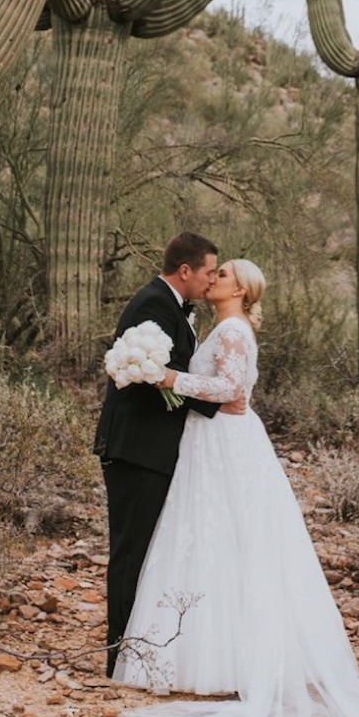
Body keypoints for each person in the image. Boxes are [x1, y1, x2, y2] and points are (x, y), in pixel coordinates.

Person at [81, 259, 359, 717]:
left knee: (227, 539)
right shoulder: (218, 327)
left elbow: (228, 390)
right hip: (210, 440)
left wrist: (166, 376)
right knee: (207, 541)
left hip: (225, 440)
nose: (216, 277)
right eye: (214, 271)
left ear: (242, 290)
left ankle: (219, 657)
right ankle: (193, 651)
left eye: (224, 274)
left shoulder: (231, 329)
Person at [94, 232, 244, 676]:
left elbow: (167, 372)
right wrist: (215, 400)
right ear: (186, 271)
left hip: (150, 450)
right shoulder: (153, 305)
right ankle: (119, 655)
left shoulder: (170, 305)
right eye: (208, 271)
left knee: (143, 550)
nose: (211, 279)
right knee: (130, 551)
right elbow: (152, 376)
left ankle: (134, 649)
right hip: (136, 450)